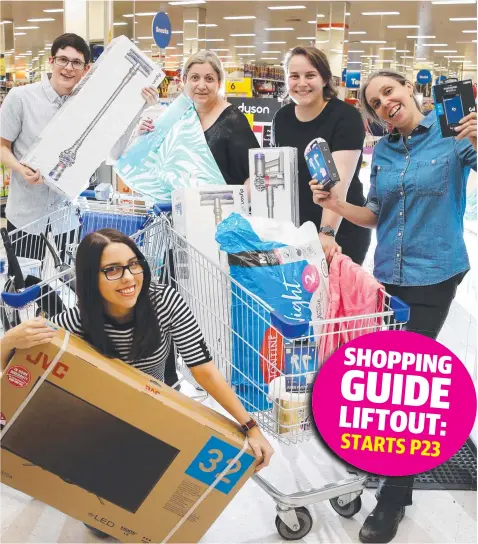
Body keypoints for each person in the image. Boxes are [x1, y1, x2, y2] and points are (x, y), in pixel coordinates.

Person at [0, 228, 274, 538]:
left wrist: (250, 426)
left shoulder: (165, 301)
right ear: (91, 278)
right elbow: (16, 373)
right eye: (113, 270)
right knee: (103, 523)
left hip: (157, 411)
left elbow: (203, 369)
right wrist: (8, 341)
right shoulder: (77, 321)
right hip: (97, 421)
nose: (129, 278)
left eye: (134, 264)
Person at [310, 70, 477, 544]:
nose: (385, 102)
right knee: (385, 381)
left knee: (402, 384)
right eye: (375, 101)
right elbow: (378, 215)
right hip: (388, 277)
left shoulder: (453, 135)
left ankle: (390, 499)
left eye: (389, 91)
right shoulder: (382, 150)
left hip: (436, 275)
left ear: (409, 88)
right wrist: (337, 206)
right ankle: (399, 488)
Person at [0, 32, 158, 260]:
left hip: (66, 216)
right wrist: (19, 168)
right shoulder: (21, 98)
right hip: (26, 213)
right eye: (63, 59)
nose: (68, 68)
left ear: (86, 69)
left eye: (76, 62)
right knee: (27, 281)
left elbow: (114, 151)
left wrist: (138, 107)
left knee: (73, 281)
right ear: (52, 61)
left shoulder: (90, 105)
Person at [272, 46, 371, 265]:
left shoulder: (345, 117)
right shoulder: (281, 118)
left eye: (310, 75)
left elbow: (339, 184)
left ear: (325, 78)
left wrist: (326, 232)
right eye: (294, 76)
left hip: (339, 230)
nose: (301, 83)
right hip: (296, 230)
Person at [136, 50, 259, 186]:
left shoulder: (233, 121)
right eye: (195, 78)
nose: (201, 86)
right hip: (178, 204)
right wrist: (142, 134)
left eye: (209, 79)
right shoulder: (180, 115)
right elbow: (153, 159)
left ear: (219, 82)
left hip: (221, 205)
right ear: (184, 80)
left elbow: (255, 174)